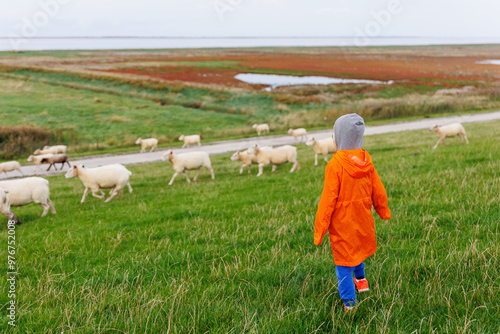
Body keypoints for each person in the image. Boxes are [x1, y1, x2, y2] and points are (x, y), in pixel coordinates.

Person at [314, 113, 391, 312]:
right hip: (363, 218)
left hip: (342, 224)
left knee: (343, 262)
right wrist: (382, 210)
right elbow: (379, 189)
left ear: (338, 139)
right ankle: (362, 281)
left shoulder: (335, 165)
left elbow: (327, 200)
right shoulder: (367, 161)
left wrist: (320, 229)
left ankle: (349, 304)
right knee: (358, 249)